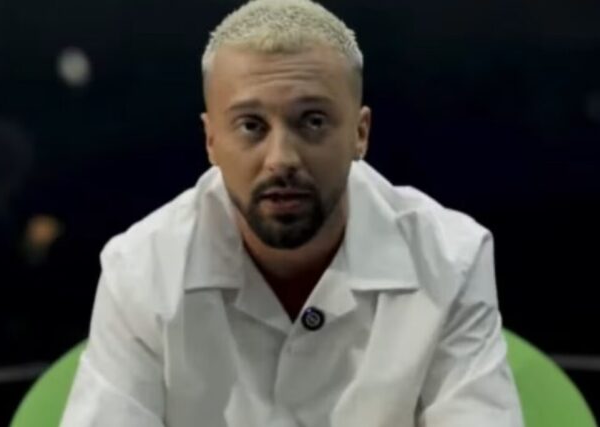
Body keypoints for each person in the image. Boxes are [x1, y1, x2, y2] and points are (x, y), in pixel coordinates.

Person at [61, 0, 523, 425]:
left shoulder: (451, 258)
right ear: (211, 140)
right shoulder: (141, 268)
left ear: (360, 133)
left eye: (313, 121)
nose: (281, 158)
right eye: (251, 125)